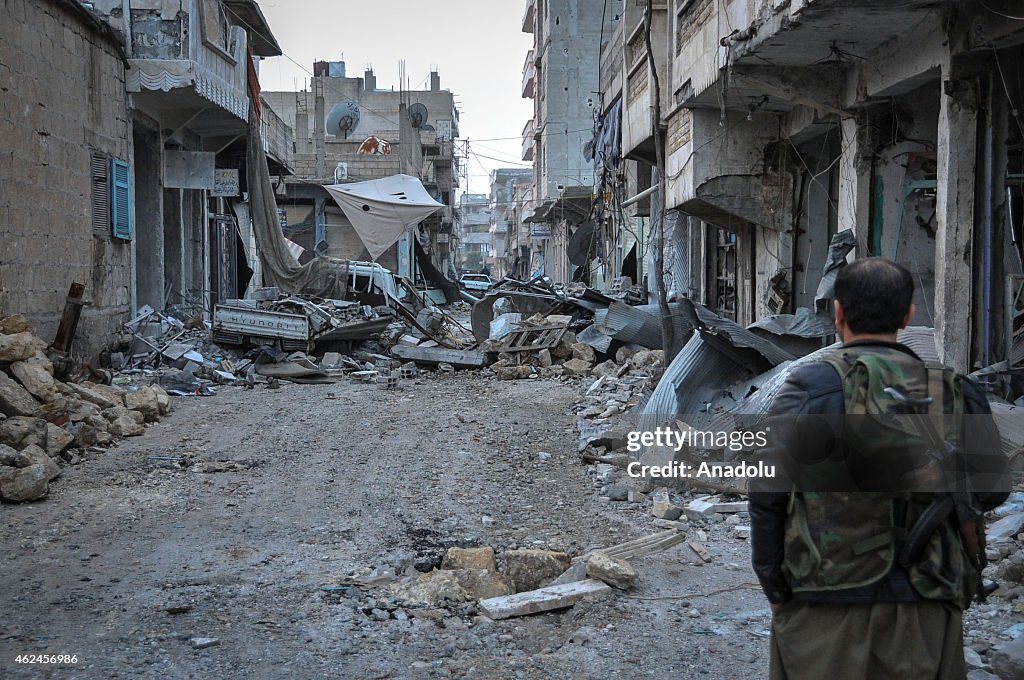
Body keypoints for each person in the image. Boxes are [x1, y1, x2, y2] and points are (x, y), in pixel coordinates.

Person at [749, 257, 1009, 680]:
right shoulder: (956, 391)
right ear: (908, 315)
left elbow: (766, 493)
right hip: (927, 601)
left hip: (825, 601)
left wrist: (774, 585)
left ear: (837, 313)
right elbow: (994, 489)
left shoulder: (809, 386)